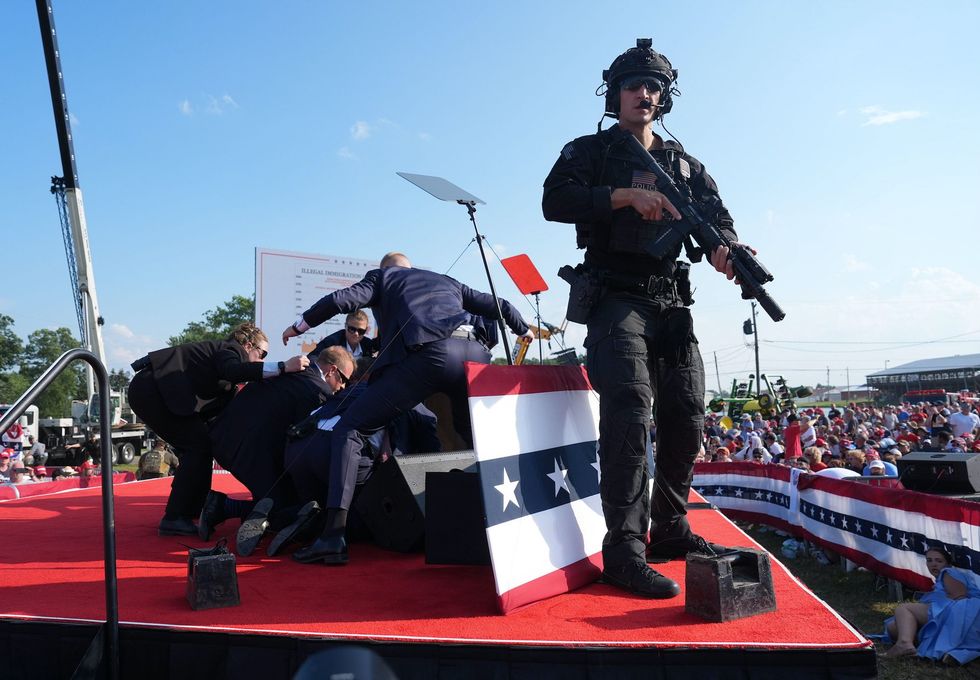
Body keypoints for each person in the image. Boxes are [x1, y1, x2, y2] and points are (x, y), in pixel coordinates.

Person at [541, 39, 751, 598]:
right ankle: (624, 550)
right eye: (633, 85)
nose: (644, 94)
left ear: (665, 98)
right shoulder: (589, 151)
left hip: (671, 303)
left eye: (654, 86)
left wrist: (727, 250)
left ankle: (672, 530)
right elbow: (554, 201)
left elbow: (717, 219)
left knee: (686, 412)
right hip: (616, 298)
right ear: (615, 95)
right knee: (630, 413)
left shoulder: (684, 162)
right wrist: (623, 197)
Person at [281, 252, 532, 565]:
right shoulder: (446, 280)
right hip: (474, 355)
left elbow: (339, 300)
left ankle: (333, 536)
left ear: (386, 269)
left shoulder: (383, 277)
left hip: (430, 356)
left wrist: (299, 325)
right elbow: (501, 305)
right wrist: (523, 329)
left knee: (351, 428)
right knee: (475, 436)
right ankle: (508, 522)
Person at [127, 322, 310, 536]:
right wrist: (282, 367)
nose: (262, 360)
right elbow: (233, 371)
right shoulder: (230, 350)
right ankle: (176, 516)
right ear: (248, 345)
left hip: (157, 392)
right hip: (151, 390)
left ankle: (190, 510)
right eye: (262, 353)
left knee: (201, 446)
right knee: (198, 447)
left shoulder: (227, 374)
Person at [198, 345, 355, 556]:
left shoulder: (293, 370)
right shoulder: (319, 390)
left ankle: (225, 507)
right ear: (332, 370)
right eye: (344, 380)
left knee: (280, 498)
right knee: (293, 505)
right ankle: (225, 507)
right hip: (251, 450)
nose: (343, 388)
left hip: (224, 438)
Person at [883, 546, 980, 665]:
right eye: (929, 560)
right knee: (892, 627)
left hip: (961, 611)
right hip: (949, 609)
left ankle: (904, 644)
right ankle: (915, 642)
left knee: (903, 608)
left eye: (939, 561)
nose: (933, 564)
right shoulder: (941, 579)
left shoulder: (948, 572)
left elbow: (960, 598)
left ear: (948, 564)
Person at [308, 310, 377, 360]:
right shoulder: (331, 342)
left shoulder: (368, 345)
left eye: (361, 331)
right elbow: (312, 358)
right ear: (345, 326)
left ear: (366, 329)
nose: (356, 334)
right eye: (352, 329)